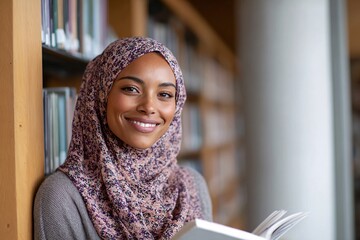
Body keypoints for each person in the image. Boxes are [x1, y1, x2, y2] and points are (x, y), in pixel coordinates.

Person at [34, 37, 212, 240]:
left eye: (164, 94)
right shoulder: (62, 196)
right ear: (101, 93)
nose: (149, 107)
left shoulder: (191, 187)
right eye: (131, 89)